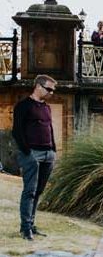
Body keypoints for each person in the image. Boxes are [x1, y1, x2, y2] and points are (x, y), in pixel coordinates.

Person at [12, 75, 57, 241]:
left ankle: (31, 224)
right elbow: (16, 131)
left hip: (48, 154)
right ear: (38, 86)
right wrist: (27, 153)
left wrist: (53, 149)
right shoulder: (23, 106)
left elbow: (49, 128)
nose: (51, 93)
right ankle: (25, 229)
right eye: (49, 89)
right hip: (32, 154)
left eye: (53, 90)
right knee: (29, 191)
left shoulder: (46, 107)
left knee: (38, 191)